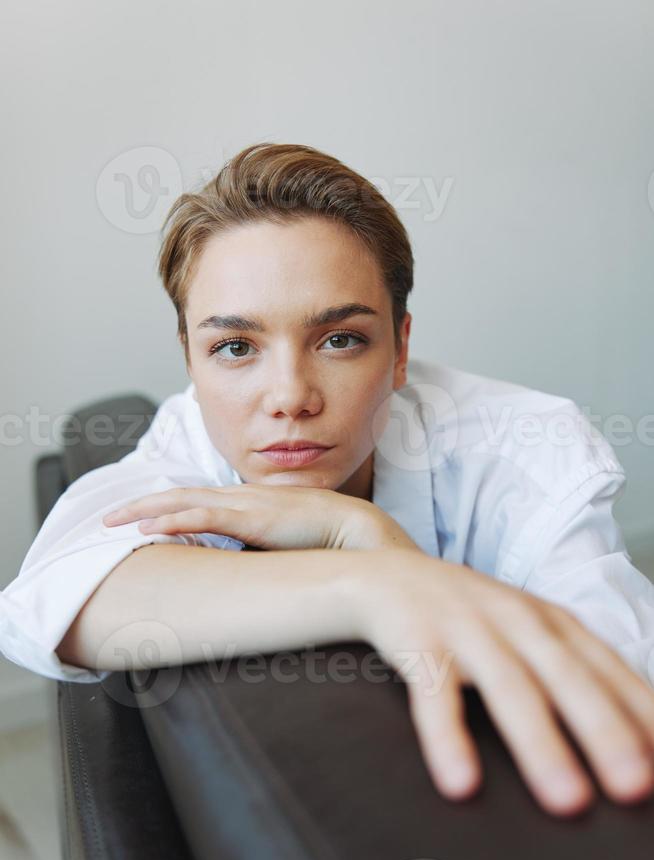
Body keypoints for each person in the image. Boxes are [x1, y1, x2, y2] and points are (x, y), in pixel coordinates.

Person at [2, 142, 654, 820]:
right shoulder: (188, 434)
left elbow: (620, 696)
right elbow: (51, 598)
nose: (288, 397)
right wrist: (374, 581)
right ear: (191, 362)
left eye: (339, 339)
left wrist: (363, 531)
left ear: (400, 350)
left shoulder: (527, 445)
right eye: (235, 348)